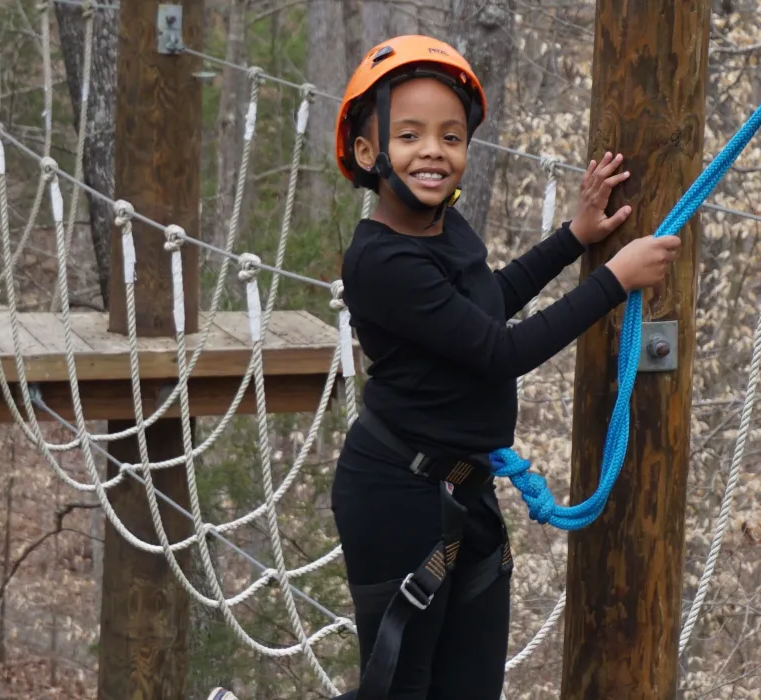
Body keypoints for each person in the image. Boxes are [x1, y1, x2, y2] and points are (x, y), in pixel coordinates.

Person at [203, 35, 679, 700]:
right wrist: (613, 282)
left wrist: (575, 238)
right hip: (398, 496)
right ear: (368, 154)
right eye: (410, 135)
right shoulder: (381, 261)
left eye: (451, 137)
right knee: (401, 686)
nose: (435, 151)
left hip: (462, 492)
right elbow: (497, 353)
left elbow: (489, 303)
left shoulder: (444, 232)